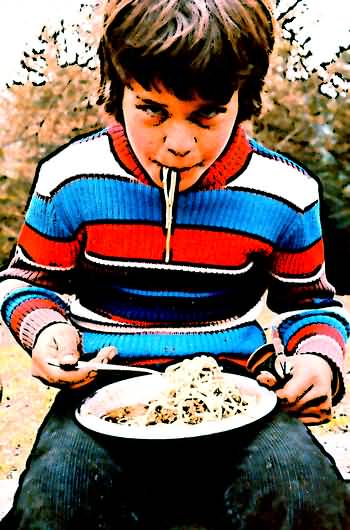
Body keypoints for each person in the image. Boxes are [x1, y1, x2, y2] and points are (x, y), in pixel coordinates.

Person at [0, 0, 349, 528]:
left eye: (207, 113)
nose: (179, 144)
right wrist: (45, 329)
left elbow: (310, 303)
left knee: (310, 499)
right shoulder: (69, 178)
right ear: (117, 90)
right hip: (102, 394)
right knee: (51, 503)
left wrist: (319, 362)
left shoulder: (287, 193)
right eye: (151, 110)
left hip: (241, 394)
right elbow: (26, 282)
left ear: (244, 98)